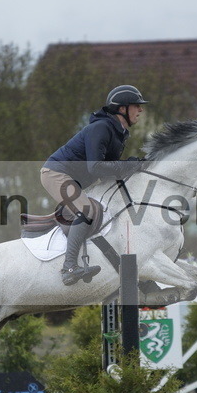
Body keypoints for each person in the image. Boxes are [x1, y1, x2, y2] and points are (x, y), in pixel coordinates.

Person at [41, 84, 148, 286]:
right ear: (122, 108)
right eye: (136, 105)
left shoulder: (119, 132)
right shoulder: (101, 128)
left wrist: (135, 166)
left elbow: (109, 172)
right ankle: (69, 268)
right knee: (87, 211)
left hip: (73, 179)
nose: (140, 110)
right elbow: (96, 168)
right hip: (56, 173)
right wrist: (127, 166)